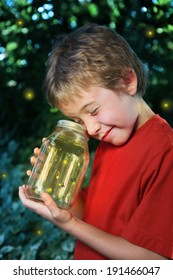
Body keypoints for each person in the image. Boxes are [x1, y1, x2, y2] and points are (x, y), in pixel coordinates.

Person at [19, 23, 173, 260]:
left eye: (92, 110)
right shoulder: (108, 143)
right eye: (77, 120)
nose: (90, 129)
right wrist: (59, 197)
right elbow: (95, 217)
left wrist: (70, 225)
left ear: (126, 81)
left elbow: (155, 260)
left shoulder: (165, 152)